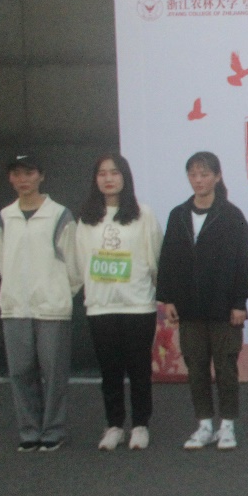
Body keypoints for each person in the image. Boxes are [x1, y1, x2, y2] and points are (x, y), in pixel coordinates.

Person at [157, 152, 248, 451]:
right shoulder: (178, 215)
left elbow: (244, 260)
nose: (198, 180)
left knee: (226, 367)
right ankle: (203, 424)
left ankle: (227, 425)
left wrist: (239, 303)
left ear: (217, 177)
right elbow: (168, 259)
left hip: (224, 307)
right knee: (196, 366)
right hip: (189, 307)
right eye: (193, 175)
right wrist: (168, 299)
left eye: (204, 174)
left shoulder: (231, 215)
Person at [75, 154, 163, 451]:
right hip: (101, 305)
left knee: (139, 369)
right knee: (109, 370)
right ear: (95, 180)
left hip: (137, 304)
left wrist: (157, 292)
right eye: (102, 173)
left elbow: (155, 257)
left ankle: (140, 425)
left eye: (114, 172)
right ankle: (114, 425)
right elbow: (80, 260)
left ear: (125, 177)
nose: (108, 178)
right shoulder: (87, 218)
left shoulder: (143, 214)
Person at [0, 154, 81, 451]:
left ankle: (53, 430)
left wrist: (58, 293)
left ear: (41, 176)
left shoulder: (60, 215)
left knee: (54, 373)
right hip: (15, 308)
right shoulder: (4, 217)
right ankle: (29, 430)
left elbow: (74, 264)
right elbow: (2, 260)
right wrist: (15, 290)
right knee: (20, 372)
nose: (23, 180)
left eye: (29, 173)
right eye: (17, 174)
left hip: (52, 308)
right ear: (10, 178)